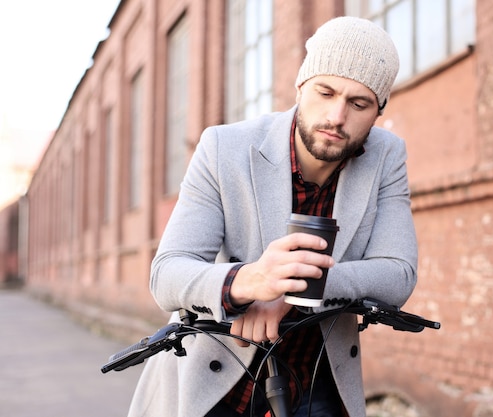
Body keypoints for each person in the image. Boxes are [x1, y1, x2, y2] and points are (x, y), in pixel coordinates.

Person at [128, 16, 418, 417]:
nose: (337, 116)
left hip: (316, 383)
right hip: (214, 381)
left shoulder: (387, 156)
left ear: (377, 110)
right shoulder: (223, 147)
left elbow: (397, 273)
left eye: (359, 102)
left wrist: (295, 288)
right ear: (301, 86)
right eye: (326, 91)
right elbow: (168, 275)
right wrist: (249, 282)